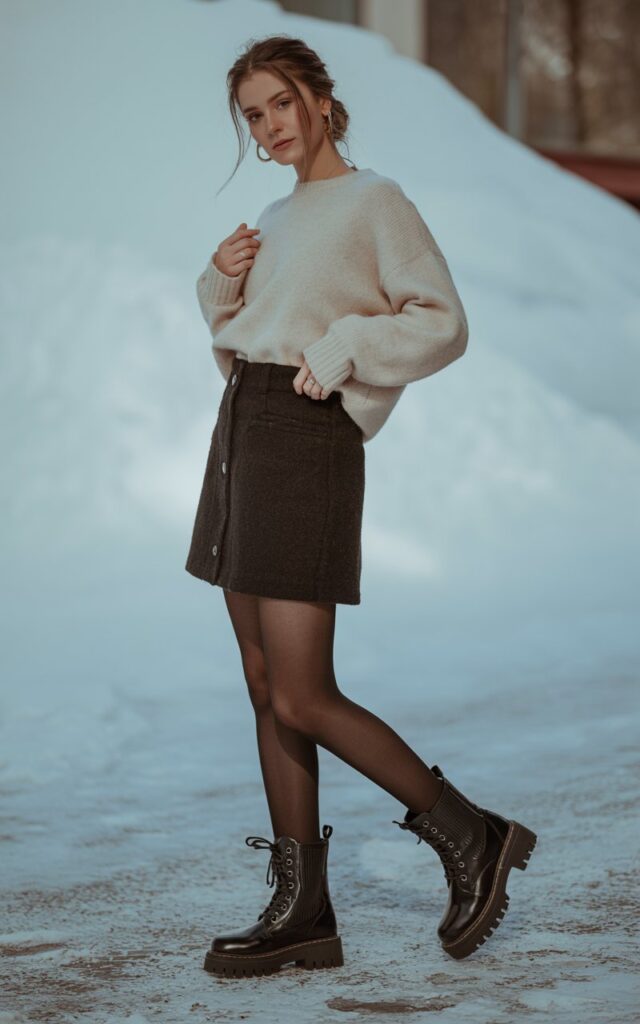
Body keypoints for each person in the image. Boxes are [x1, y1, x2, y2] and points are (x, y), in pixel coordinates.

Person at [185, 34, 537, 977]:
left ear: (320, 99)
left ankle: (471, 834)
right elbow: (245, 334)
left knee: (304, 690)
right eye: (252, 116)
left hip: (307, 442)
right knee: (265, 687)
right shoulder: (274, 212)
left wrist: (344, 350)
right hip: (242, 434)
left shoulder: (376, 202)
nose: (268, 128)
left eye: (279, 105)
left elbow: (440, 319)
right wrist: (222, 278)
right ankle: (304, 910)